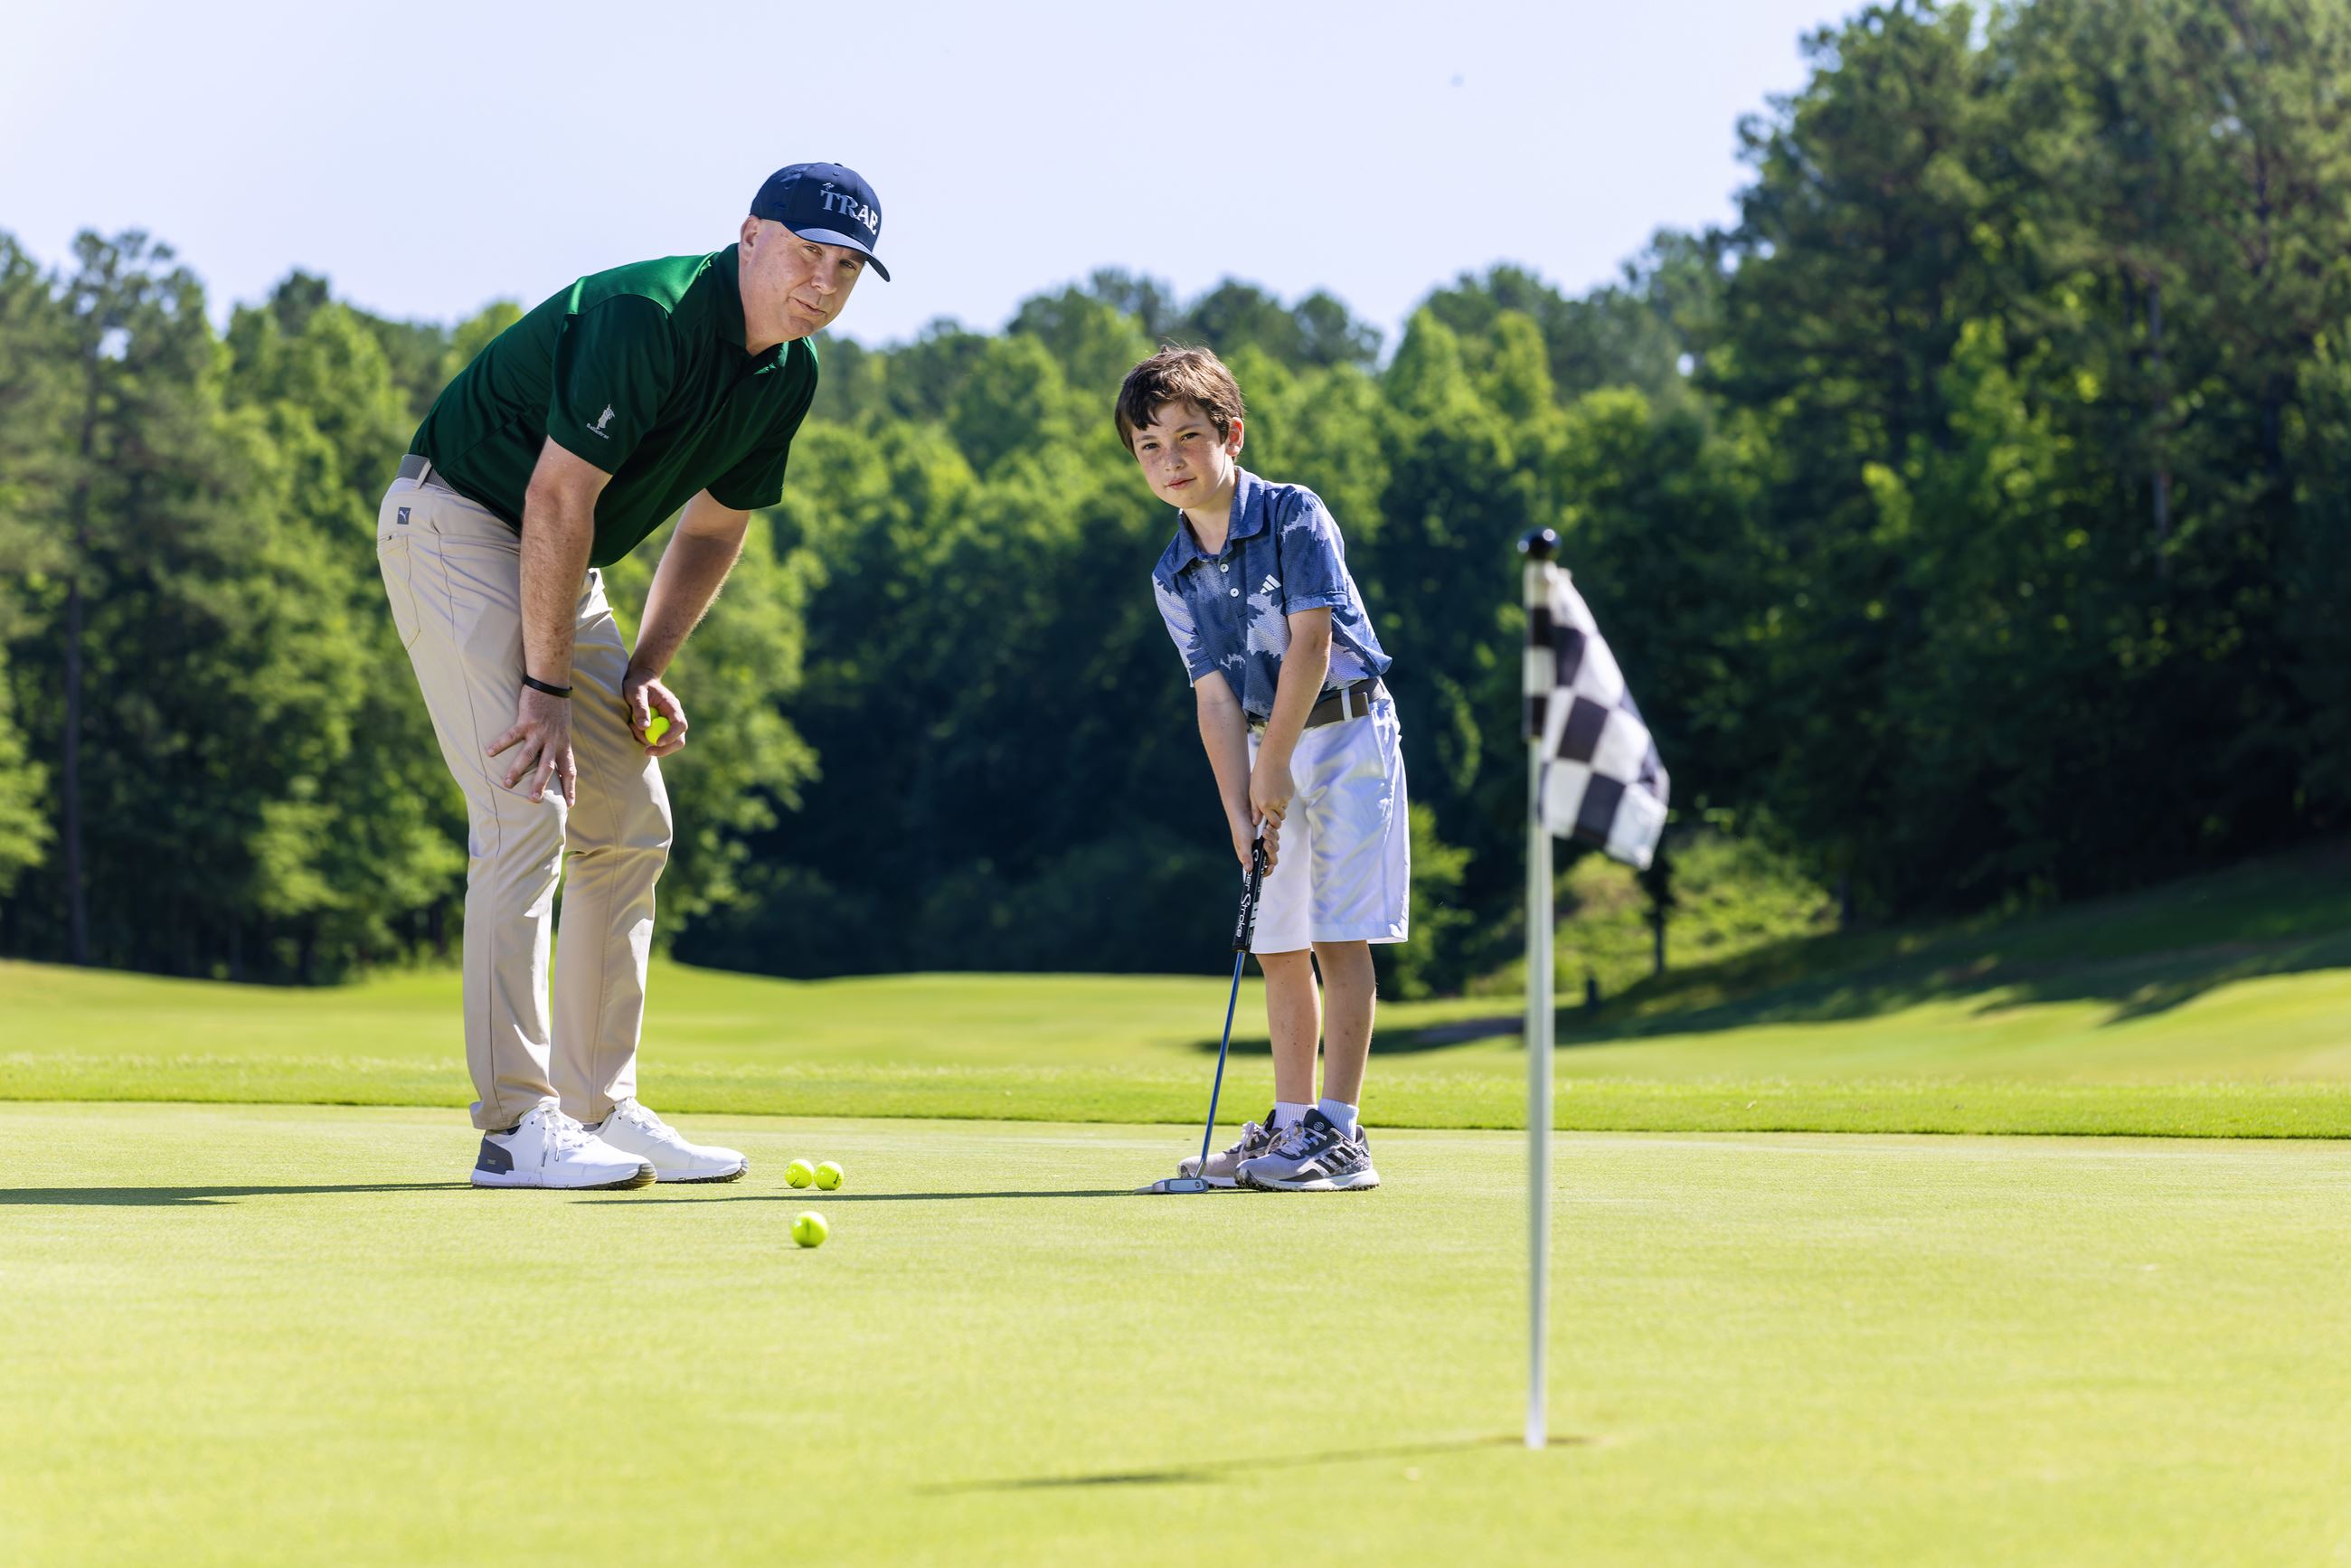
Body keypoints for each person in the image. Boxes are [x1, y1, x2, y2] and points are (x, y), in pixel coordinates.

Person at [375, 163, 889, 1189]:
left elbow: (714, 524)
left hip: (561, 560)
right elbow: (558, 497)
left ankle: (594, 1108)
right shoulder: (644, 316)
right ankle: (513, 1128)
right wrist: (550, 690)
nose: (822, 283)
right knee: (526, 803)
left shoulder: (787, 373)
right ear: (747, 236)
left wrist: (643, 667)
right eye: (804, 253)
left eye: (846, 269)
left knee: (631, 820)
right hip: (461, 524)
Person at [1119, 345, 1409, 1192]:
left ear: (1231, 435)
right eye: (1148, 446)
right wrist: (1240, 813)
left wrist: (1273, 763)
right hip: (1258, 744)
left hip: (1346, 736)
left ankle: (1342, 1135)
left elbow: (1312, 645)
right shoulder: (1172, 573)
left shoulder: (1293, 515)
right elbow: (1212, 700)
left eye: (1187, 438)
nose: (1169, 461)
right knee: (1276, 941)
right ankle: (1290, 1128)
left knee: (1333, 934)